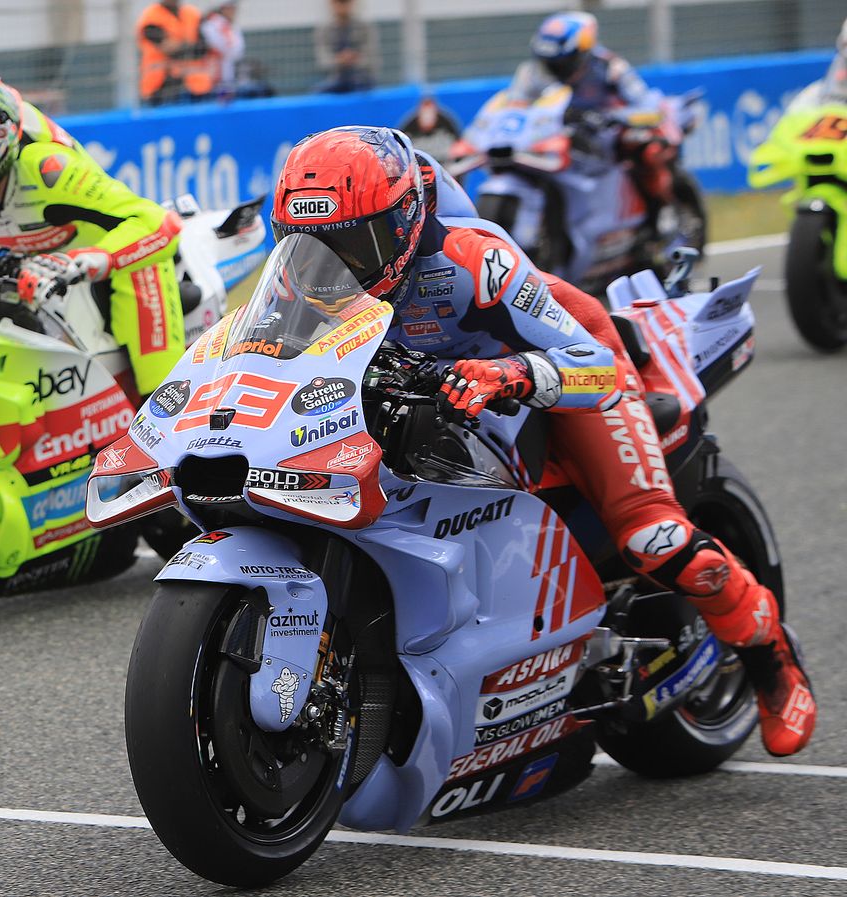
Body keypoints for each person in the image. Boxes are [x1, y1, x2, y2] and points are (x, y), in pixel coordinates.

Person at [268, 126, 815, 757]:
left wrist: (514, 374)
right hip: (431, 395)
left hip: (557, 376)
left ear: (403, 222)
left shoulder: (472, 261)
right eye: (310, 244)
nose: (333, 264)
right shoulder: (303, 280)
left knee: (651, 535)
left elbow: (593, 364)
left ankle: (772, 658)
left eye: (352, 244)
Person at [0, 70, 185, 397]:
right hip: (34, 270)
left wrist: (85, 260)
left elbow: (158, 223)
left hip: (109, 261)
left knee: (161, 398)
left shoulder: (49, 170)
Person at [519, 11, 675, 222]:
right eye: (549, 63)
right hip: (557, 136)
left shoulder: (611, 67)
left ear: (582, 53)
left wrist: (613, 116)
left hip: (604, 136)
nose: (554, 69)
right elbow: (517, 102)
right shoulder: (534, 73)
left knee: (646, 147)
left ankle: (662, 211)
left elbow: (647, 105)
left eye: (562, 62)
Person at [136, 0, 214, 106]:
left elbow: (203, 48)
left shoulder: (192, 14)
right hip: (161, 87)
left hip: (197, 86)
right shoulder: (152, 17)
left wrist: (180, 47)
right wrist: (190, 47)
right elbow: (168, 48)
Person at [315, 0, 375, 94]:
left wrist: (354, 58)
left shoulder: (364, 27)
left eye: (345, 2)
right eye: (338, 2)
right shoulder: (324, 30)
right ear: (331, 4)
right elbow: (323, 61)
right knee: (319, 92)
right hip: (335, 79)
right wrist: (339, 60)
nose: (342, 6)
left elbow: (372, 58)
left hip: (361, 79)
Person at [199, 1, 242, 99]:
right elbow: (219, 46)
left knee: (228, 91)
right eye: (229, 9)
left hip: (228, 67)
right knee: (216, 94)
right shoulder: (212, 23)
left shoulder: (230, 25)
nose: (232, 12)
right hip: (213, 67)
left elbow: (238, 49)